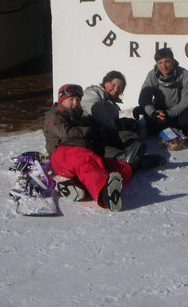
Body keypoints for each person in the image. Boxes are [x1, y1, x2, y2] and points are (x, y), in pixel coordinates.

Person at [43, 83, 132, 211]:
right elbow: (66, 133)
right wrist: (88, 131)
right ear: (61, 100)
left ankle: (80, 185)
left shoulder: (79, 116)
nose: (75, 103)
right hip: (62, 153)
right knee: (85, 163)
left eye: (78, 100)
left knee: (123, 167)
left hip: (84, 153)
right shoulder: (54, 115)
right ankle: (105, 195)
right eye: (71, 100)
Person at [81, 70, 164, 170]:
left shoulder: (113, 105)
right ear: (105, 82)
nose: (116, 89)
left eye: (120, 88)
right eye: (113, 85)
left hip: (104, 132)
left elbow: (113, 124)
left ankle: (135, 151)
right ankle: (123, 159)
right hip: (90, 131)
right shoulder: (94, 92)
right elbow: (93, 108)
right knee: (100, 146)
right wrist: (112, 127)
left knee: (125, 132)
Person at [134, 47, 188, 135]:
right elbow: (144, 98)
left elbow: (186, 101)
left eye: (167, 61)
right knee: (151, 128)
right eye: (160, 63)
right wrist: (153, 113)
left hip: (177, 111)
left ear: (173, 61)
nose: (164, 66)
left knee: (185, 121)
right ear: (156, 64)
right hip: (159, 111)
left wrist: (169, 113)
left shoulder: (185, 75)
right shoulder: (152, 75)